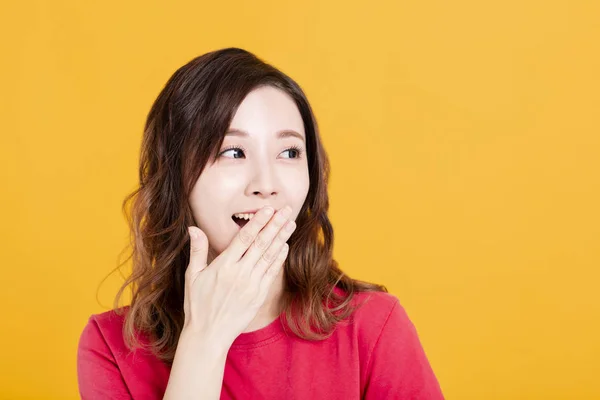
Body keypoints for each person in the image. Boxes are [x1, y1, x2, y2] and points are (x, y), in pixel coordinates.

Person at [77, 47, 445, 399]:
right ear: (174, 178)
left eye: (289, 152)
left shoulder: (373, 326)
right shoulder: (110, 347)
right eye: (233, 152)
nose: (267, 186)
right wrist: (204, 340)